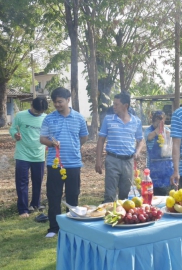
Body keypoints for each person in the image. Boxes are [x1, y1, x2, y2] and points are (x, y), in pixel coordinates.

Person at [40, 87, 88, 238]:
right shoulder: (49, 118)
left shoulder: (79, 118)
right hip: (55, 164)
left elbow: (84, 137)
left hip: (73, 163)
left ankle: (71, 228)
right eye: (55, 102)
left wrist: (74, 146)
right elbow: (42, 139)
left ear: (68, 100)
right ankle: (54, 228)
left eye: (60, 101)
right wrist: (52, 143)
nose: (57, 105)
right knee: (54, 196)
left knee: (73, 195)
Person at [96, 91, 144, 202]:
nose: (114, 106)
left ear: (125, 106)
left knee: (126, 195)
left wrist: (137, 152)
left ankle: (123, 217)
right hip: (112, 160)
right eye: (114, 103)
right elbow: (101, 140)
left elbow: (140, 140)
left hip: (128, 161)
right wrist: (98, 160)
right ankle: (108, 216)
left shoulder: (136, 122)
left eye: (116, 104)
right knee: (110, 195)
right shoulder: (108, 120)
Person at [9, 97, 49, 218]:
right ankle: (23, 209)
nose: (39, 113)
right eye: (37, 110)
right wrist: (14, 135)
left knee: (38, 181)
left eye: (41, 111)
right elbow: (12, 128)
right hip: (22, 155)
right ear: (32, 105)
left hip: (39, 155)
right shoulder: (20, 115)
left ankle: (35, 204)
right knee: (22, 182)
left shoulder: (46, 118)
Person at [144, 110, 173, 195]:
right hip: (154, 167)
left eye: (162, 119)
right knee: (156, 193)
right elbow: (149, 137)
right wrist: (157, 130)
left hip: (167, 166)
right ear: (153, 120)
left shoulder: (166, 129)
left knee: (168, 193)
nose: (160, 121)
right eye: (158, 119)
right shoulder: (148, 130)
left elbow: (171, 137)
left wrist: (164, 131)